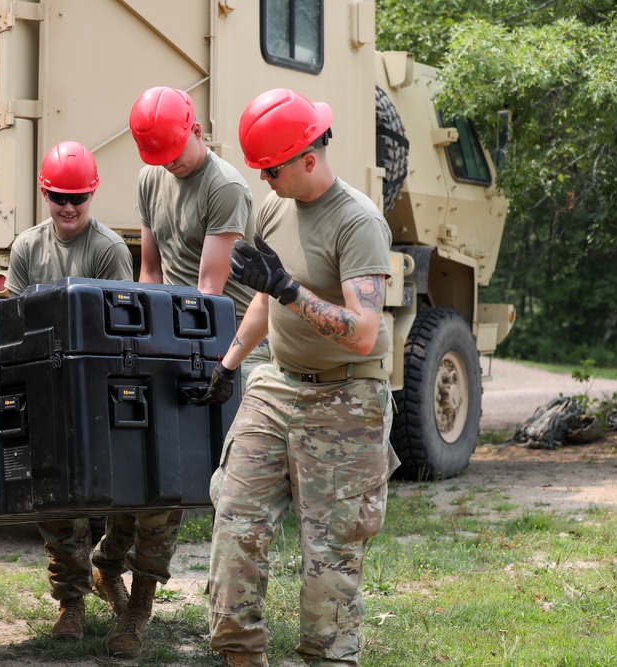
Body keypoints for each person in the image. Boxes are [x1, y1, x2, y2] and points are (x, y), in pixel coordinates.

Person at [201, 89, 400, 667]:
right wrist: (228, 364)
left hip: (345, 394)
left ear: (308, 159)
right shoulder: (273, 208)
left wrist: (291, 288)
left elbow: (364, 333)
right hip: (277, 383)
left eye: (271, 168)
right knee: (235, 524)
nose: (263, 179)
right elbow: (266, 301)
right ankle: (240, 655)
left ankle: (328, 658)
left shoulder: (358, 221)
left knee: (329, 556)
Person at [89, 86, 259, 660]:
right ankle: (107, 561)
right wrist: (135, 344)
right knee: (134, 459)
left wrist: (199, 363)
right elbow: (150, 269)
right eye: (158, 157)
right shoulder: (150, 177)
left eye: (177, 152)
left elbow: (210, 290)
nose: (170, 165)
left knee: (174, 476)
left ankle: (139, 602)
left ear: (196, 129)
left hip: (220, 341)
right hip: (163, 335)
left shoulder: (224, 186)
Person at [6, 141, 134, 639]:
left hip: (97, 390)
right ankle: (71, 604)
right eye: (59, 196)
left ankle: (110, 567)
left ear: (92, 193)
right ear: (44, 192)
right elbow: (13, 322)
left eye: (78, 197)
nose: (68, 207)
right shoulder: (27, 247)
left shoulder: (108, 250)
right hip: (45, 389)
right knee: (56, 503)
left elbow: (121, 326)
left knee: (124, 494)